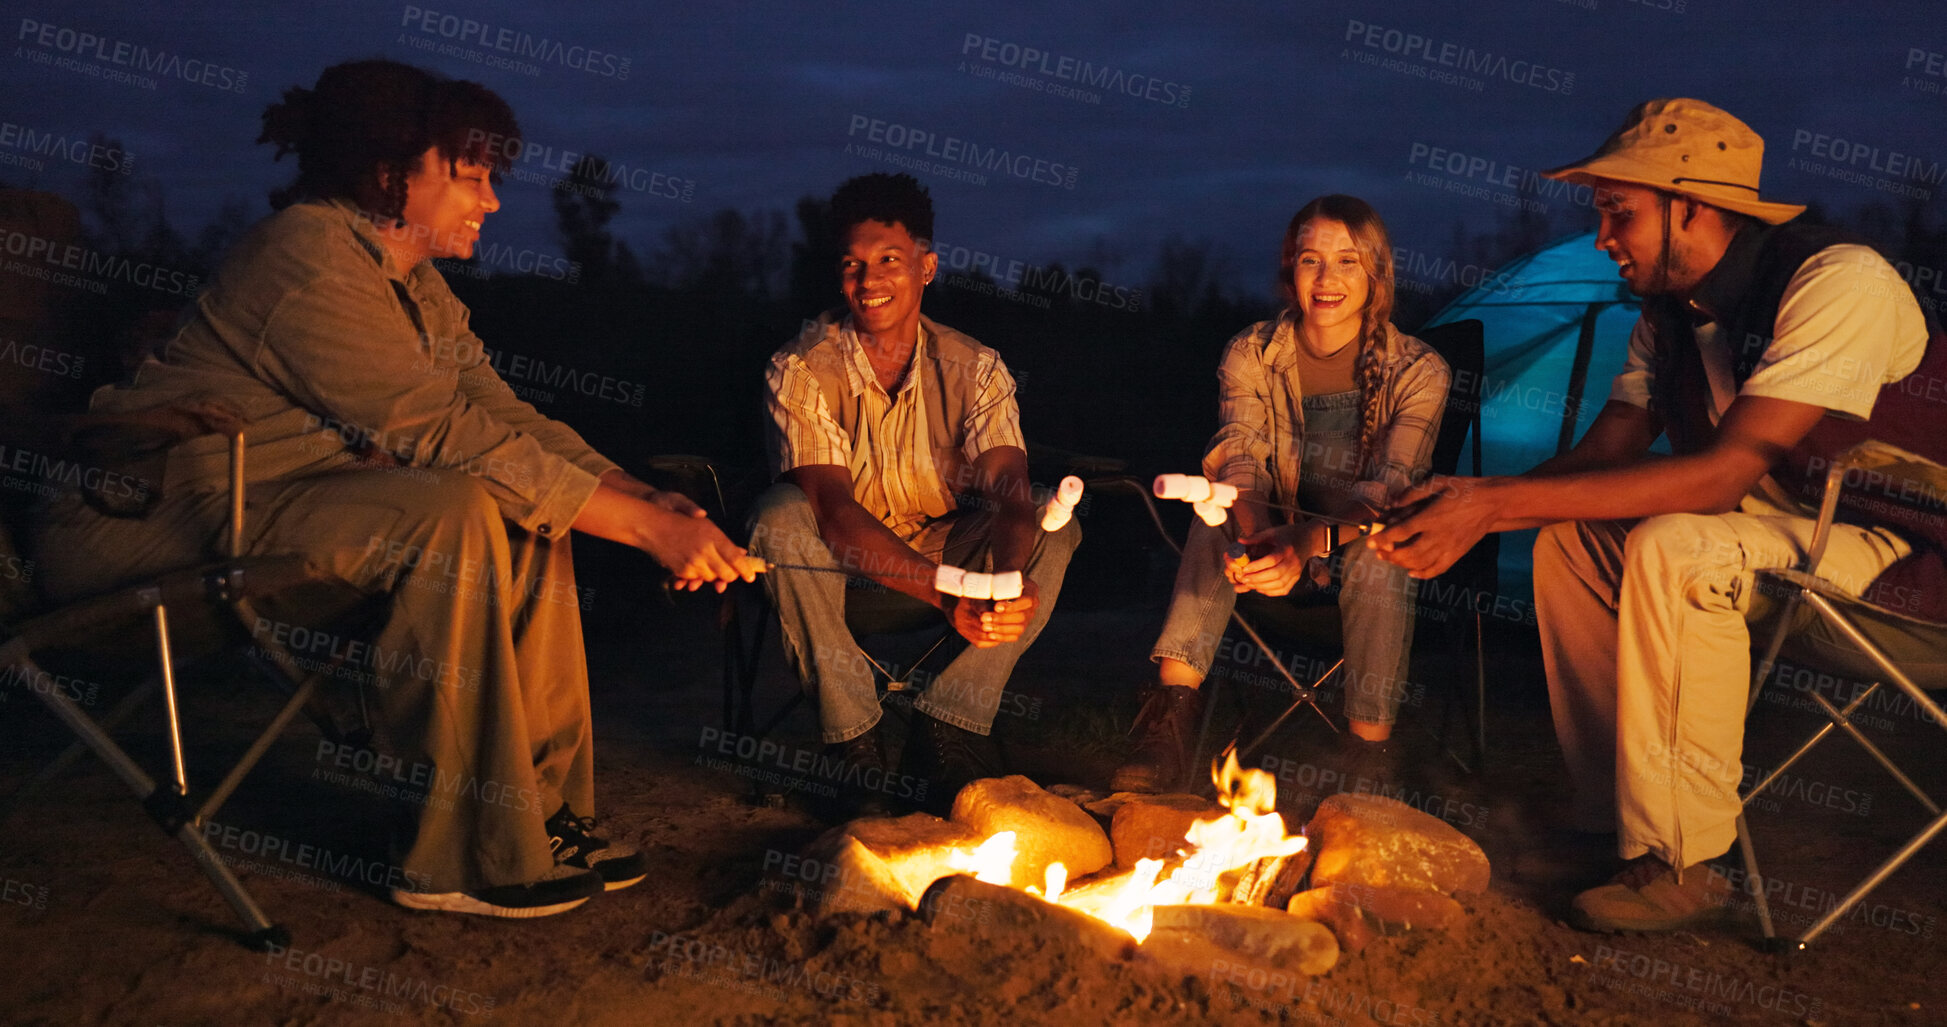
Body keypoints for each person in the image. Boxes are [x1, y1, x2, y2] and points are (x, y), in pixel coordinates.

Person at [31, 59, 762, 918]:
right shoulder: (305, 257)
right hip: (147, 518)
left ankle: (534, 813)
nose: (492, 201)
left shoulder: (412, 282)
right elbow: (442, 434)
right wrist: (647, 534)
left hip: (270, 504)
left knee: (529, 513)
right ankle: (457, 853)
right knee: (453, 504)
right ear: (390, 174)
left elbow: (500, 413)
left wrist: (640, 496)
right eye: (470, 177)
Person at [1368, 99, 1941, 933]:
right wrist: (1464, 500)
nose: (1602, 237)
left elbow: (1721, 475)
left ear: (1692, 207)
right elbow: (1603, 454)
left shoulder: (1836, 281)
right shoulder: (1668, 320)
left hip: (1912, 561)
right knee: (1572, 540)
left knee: (1678, 544)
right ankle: (1616, 826)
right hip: (1785, 543)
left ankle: (1682, 861)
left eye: (1618, 212)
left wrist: (1491, 506)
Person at [750, 173, 1079, 812]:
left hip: (943, 548)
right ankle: (855, 743)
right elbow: (833, 514)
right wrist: (947, 592)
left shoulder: (975, 366)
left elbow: (1010, 494)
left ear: (927, 267)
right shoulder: (800, 367)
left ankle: (948, 728)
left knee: (1053, 519)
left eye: (889, 261)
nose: (868, 280)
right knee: (780, 514)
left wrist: (1008, 582)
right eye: (853, 265)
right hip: (836, 565)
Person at [1113, 195, 1450, 796]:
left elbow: (1390, 487)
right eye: (1310, 259)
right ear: (1290, 269)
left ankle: (1368, 757)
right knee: (1213, 510)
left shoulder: (1419, 370)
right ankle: (1167, 726)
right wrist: (1263, 537)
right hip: (1272, 537)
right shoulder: (1252, 352)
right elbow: (1239, 454)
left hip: (1356, 554)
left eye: (1347, 261)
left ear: (1376, 273)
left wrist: (1306, 543)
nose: (1326, 278)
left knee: (1383, 548)